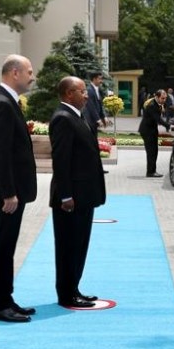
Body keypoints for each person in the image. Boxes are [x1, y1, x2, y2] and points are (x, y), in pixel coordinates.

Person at [0, 55, 38, 323]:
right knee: (2, 246)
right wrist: (8, 193)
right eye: (28, 71)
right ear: (14, 73)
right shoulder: (2, 104)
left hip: (10, 191)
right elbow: (0, 153)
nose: (32, 76)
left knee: (7, 245)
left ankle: (6, 298)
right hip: (7, 194)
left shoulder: (5, 101)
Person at [49, 76, 107, 308]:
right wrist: (65, 195)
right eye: (82, 91)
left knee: (79, 245)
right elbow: (61, 161)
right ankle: (66, 294)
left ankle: (74, 288)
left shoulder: (78, 115)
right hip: (71, 198)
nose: (87, 95)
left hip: (84, 196)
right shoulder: (63, 118)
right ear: (69, 94)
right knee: (68, 247)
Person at [140, 89, 169, 177]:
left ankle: (152, 170)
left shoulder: (156, 103)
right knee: (151, 152)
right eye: (162, 98)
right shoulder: (152, 105)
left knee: (154, 151)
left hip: (151, 130)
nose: (164, 100)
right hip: (148, 131)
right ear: (157, 97)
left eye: (165, 98)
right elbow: (158, 119)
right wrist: (168, 126)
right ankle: (150, 172)